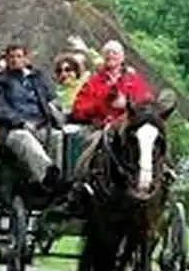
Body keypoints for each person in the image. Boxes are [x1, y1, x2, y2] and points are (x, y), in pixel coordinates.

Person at [54, 39, 155, 213]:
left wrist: (127, 104)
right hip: (102, 129)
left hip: (129, 129)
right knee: (88, 144)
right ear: (102, 57)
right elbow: (78, 110)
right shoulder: (94, 81)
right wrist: (103, 102)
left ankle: (157, 177)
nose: (111, 57)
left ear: (122, 57)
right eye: (107, 54)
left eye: (115, 53)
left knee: (149, 140)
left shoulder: (133, 79)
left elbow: (147, 101)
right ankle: (78, 186)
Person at [0, 44, 66, 192]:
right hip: (13, 131)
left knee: (58, 136)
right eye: (11, 57)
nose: (15, 60)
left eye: (19, 56)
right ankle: (48, 176)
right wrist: (21, 123)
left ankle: (58, 183)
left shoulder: (36, 78)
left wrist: (54, 108)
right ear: (7, 59)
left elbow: (51, 99)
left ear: (25, 59)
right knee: (24, 137)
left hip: (41, 126)